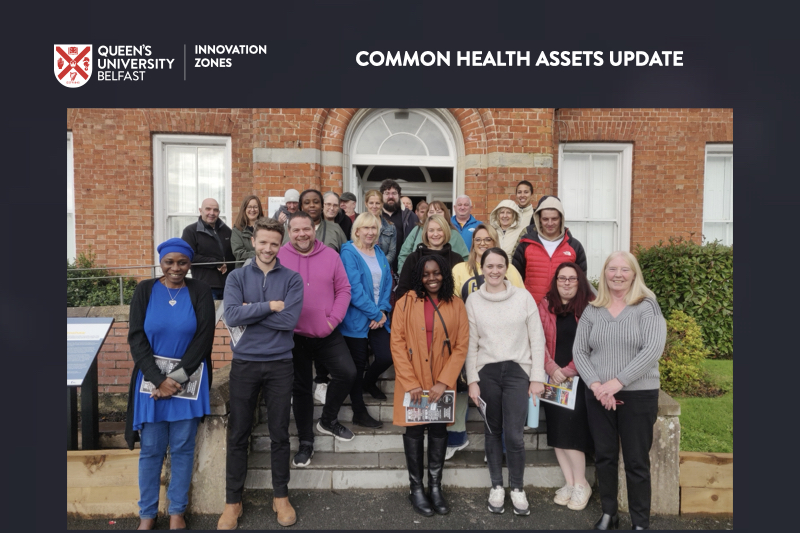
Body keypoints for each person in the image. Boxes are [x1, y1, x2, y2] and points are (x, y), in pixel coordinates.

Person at [218, 218, 304, 528]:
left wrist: (251, 311)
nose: (268, 248)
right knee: (239, 433)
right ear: (253, 241)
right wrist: (270, 306)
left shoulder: (292, 279)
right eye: (263, 242)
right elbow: (231, 314)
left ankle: (280, 496)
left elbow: (290, 321)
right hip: (245, 364)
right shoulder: (237, 277)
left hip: (281, 363)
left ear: (281, 245)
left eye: (274, 243)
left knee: (280, 433)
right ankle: (233, 502)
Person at [125, 238, 215, 531]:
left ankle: (177, 511)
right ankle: (147, 514)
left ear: (190, 264)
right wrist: (159, 380)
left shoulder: (199, 291)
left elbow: (204, 338)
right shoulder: (145, 290)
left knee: (182, 448)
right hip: (151, 384)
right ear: (160, 262)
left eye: (182, 263)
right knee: (150, 449)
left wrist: (174, 380)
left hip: (188, 382)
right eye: (169, 262)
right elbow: (137, 338)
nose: (175, 268)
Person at [573, 251, 667, 530]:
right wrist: (597, 385)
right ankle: (609, 513)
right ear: (604, 274)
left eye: (624, 270)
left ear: (634, 274)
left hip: (638, 394)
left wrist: (617, 382)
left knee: (637, 460)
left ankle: (640, 522)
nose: (617, 274)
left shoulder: (647, 307)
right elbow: (579, 351)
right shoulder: (593, 309)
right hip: (598, 394)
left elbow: (652, 350)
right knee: (604, 455)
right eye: (612, 269)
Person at [465, 247, 546, 516]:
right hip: (487, 373)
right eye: (490, 266)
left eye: (500, 266)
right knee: (492, 431)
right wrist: (472, 380)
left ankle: (518, 488)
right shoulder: (473, 301)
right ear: (482, 268)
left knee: (514, 434)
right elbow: (471, 345)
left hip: (517, 373)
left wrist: (536, 377)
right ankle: (497, 486)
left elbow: (537, 339)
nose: (495, 271)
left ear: (507, 268)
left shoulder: (523, 298)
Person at [391, 254, 469, 517]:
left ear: (444, 274)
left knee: (438, 432)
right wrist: (411, 383)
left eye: (436, 273)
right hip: (411, 379)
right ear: (418, 277)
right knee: (414, 432)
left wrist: (444, 382)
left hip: (441, 381)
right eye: (426, 274)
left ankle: (435, 487)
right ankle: (416, 489)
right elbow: (397, 344)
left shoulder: (456, 304)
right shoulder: (405, 303)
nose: (431, 278)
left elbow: (461, 346)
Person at [277, 211, 356, 467]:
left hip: (327, 331)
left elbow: (344, 289)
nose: (301, 234)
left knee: (347, 372)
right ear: (290, 232)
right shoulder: (279, 256)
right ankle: (306, 442)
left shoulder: (331, 255)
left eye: (306, 229)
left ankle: (328, 420)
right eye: (296, 230)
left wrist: (332, 320)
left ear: (314, 229)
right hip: (293, 335)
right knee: (301, 390)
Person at [445, 224, 525, 460]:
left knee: (495, 394)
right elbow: (452, 301)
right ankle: (457, 436)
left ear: (495, 242)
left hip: (499, 342)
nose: (482, 243)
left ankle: (498, 445)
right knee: (461, 386)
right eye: (478, 239)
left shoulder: (508, 270)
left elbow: (521, 302)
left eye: (487, 239)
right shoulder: (460, 268)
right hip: (466, 337)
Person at [538, 262, 596, 512]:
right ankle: (570, 483)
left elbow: (593, 343)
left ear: (579, 281)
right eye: (562, 278)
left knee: (573, 435)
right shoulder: (545, 304)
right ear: (556, 280)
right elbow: (536, 337)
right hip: (552, 379)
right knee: (558, 436)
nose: (567, 283)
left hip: (579, 379)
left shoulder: (591, 306)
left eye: (572, 279)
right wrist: (552, 369)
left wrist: (569, 370)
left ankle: (582, 484)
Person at [339, 213, 393, 428]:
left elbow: (387, 283)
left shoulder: (378, 252)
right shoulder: (348, 252)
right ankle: (358, 411)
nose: (370, 232)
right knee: (357, 364)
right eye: (366, 228)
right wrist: (376, 314)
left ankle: (368, 383)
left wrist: (382, 311)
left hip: (378, 316)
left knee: (387, 356)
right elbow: (354, 289)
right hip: (356, 319)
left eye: (374, 228)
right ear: (357, 230)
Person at [513, 195, 587, 304]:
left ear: (561, 218)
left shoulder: (575, 247)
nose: (550, 223)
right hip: (532, 310)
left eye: (554, 219)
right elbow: (516, 280)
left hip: (564, 311)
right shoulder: (525, 245)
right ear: (538, 219)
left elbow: (581, 283)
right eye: (545, 219)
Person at [396, 214, 464, 297]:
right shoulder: (413, 258)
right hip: (418, 307)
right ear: (426, 233)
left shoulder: (456, 259)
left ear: (446, 231)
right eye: (431, 230)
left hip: (449, 308)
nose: (435, 234)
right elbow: (403, 290)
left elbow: (461, 291)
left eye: (440, 230)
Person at [181, 198, 235, 300]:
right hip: (205, 286)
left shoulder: (227, 231)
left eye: (215, 210)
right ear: (200, 210)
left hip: (228, 286)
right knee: (208, 316)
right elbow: (188, 256)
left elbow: (233, 254)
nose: (212, 213)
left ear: (219, 212)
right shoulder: (190, 231)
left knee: (228, 316)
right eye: (208, 209)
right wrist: (216, 263)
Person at [398, 201, 469, 272]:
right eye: (431, 212)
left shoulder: (454, 234)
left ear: (445, 214)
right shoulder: (417, 230)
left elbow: (465, 259)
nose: (435, 214)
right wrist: (403, 274)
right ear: (427, 214)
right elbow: (404, 254)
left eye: (439, 212)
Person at [282, 189, 348, 253]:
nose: (312, 205)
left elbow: (346, 256)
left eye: (316, 202)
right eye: (307, 202)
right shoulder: (288, 229)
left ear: (322, 206)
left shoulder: (335, 229)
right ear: (301, 207)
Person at [379, 179, 419, 271]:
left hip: (405, 268)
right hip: (380, 267)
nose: (390, 196)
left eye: (394, 193)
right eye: (387, 193)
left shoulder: (410, 217)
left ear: (399, 195)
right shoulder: (375, 216)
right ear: (381, 195)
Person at [364, 189, 397, 266]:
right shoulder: (358, 224)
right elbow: (355, 248)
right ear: (366, 204)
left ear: (382, 204)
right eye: (371, 203)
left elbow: (392, 253)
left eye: (377, 203)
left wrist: (380, 265)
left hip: (384, 268)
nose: (374, 206)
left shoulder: (391, 227)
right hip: (364, 268)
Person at [231, 195, 264, 268]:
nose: (252, 210)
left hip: (264, 268)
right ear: (244, 209)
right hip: (244, 270)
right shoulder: (237, 230)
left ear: (259, 209)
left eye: (255, 207)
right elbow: (239, 253)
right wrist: (260, 253)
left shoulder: (265, 228)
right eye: (249, 207)